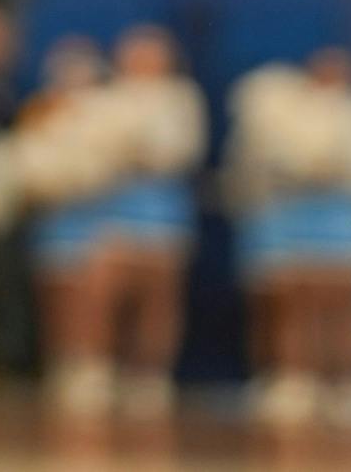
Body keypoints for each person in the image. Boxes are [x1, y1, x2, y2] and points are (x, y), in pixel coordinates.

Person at [228, 49, 351, 429]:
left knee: (345, 303)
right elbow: (257, 160)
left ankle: (347, 383)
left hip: (344, 220)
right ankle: (293, 378)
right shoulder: (278, 113)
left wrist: (334, 167)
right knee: (292, 303)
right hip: (290, 216)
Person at [91, 23, 206, 420]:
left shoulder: (181, 98)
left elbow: (183, 150)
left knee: (158, 299)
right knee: (107, 294)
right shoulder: (104, 98)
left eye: (152, 54)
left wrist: (145, 152)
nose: (143, 61)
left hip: (164, 214)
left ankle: (150, 374)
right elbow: (90, 150)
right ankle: (101, 367)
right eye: (135, 53)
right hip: (112, 211)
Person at [11, 35, 121, 418]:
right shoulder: (39, 109)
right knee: (56, 296)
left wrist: (82, 179)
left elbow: (109, 165)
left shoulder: (107, 112)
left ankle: (92, 364)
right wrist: (46, 182)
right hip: (53, 219)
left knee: (89, 298)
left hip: (95, 220)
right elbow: (27, 158)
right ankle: (60, 362)